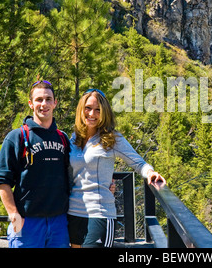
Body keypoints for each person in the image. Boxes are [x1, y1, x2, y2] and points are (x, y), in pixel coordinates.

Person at [67, 88, 166, 248]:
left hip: (100, 213)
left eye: (98, 110)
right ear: (81, 109)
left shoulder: (112, 138)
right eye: (88, 108)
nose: (92, 114)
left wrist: (150, 173)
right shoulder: (73, 138)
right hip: (73, 212)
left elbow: (138, 162)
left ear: (104, 113)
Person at [0, 80, 71, 248]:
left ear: (55, 103)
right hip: (27, 223)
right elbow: (2, 180)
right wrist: (13, 214)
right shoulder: (17, 137)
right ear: (30, 104)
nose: (44, 104)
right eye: (39, 99)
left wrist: (106, 184)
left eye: (49, 99)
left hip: (59, 223)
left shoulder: (63, 138)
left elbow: (76, 173)